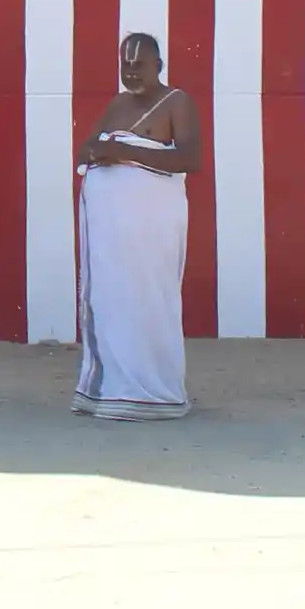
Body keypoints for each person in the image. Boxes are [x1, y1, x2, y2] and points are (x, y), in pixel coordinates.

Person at [74, 31, 204, 420]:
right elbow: (87, 148)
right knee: (113, 304)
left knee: (149, 304)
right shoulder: (118, 104)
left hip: (152, 231)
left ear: (158, 66)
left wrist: (125, 152)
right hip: (112, 237)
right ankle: (110, 392)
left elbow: (190, 158)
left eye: (139, 65)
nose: (131, 73)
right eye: (125, 65)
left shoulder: (176, 102)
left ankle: (154, 396)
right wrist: (101, 153)